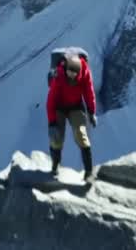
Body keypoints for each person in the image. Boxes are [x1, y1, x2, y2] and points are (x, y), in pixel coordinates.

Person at [46, 52, 98, 182]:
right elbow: (51, 101)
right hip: (59, 107)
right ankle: (55, 165)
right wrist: (52, 123)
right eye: (70, 72)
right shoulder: (59, 76)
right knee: (57, 137)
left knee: (81, 134)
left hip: (75, 106)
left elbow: (89, 92)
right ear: (65, 68)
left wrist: (91, 112)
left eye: (74, 74)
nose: (72, 76)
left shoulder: (84, 74)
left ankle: (88, 171)